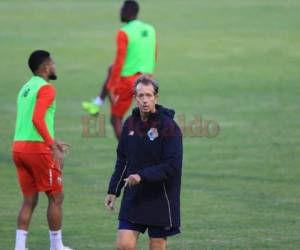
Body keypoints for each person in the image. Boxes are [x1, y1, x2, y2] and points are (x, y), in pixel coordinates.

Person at [105, 76, 183, 250]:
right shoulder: (130, 124)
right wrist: (113, 190)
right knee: (124, 245)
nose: (145, 100)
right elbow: (123, 160)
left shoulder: (169, 127)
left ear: (156, 97)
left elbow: (172, 165)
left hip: (161, 196)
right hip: (135, 195)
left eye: (149, 95)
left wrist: (142, 175)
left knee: (156, 246)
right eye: (141, 95)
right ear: (135, 98)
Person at [12, 50, 73, 250]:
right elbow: (37, 119)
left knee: (29, 199)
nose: (55, 65)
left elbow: (31, 122)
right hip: (36, 150)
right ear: (46, 66)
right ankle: (57, 246)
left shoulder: (26, 88)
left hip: (19, 148)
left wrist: (51, 141)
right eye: (52, 62)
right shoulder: (46, 88)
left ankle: (19, 247)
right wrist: (52, 145)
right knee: (56, 196)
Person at [82, 0, 157, 140]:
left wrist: (111, 85)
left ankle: (127, 154)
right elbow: (154, 54)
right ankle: (97, 103)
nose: (120, 12)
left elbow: (119, 61)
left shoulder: (123, 33)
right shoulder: (151, 29)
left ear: (128, 12)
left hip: (129, 81)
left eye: (121, 10)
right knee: (146, 118)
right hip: (148, 80)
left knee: (115, 118)